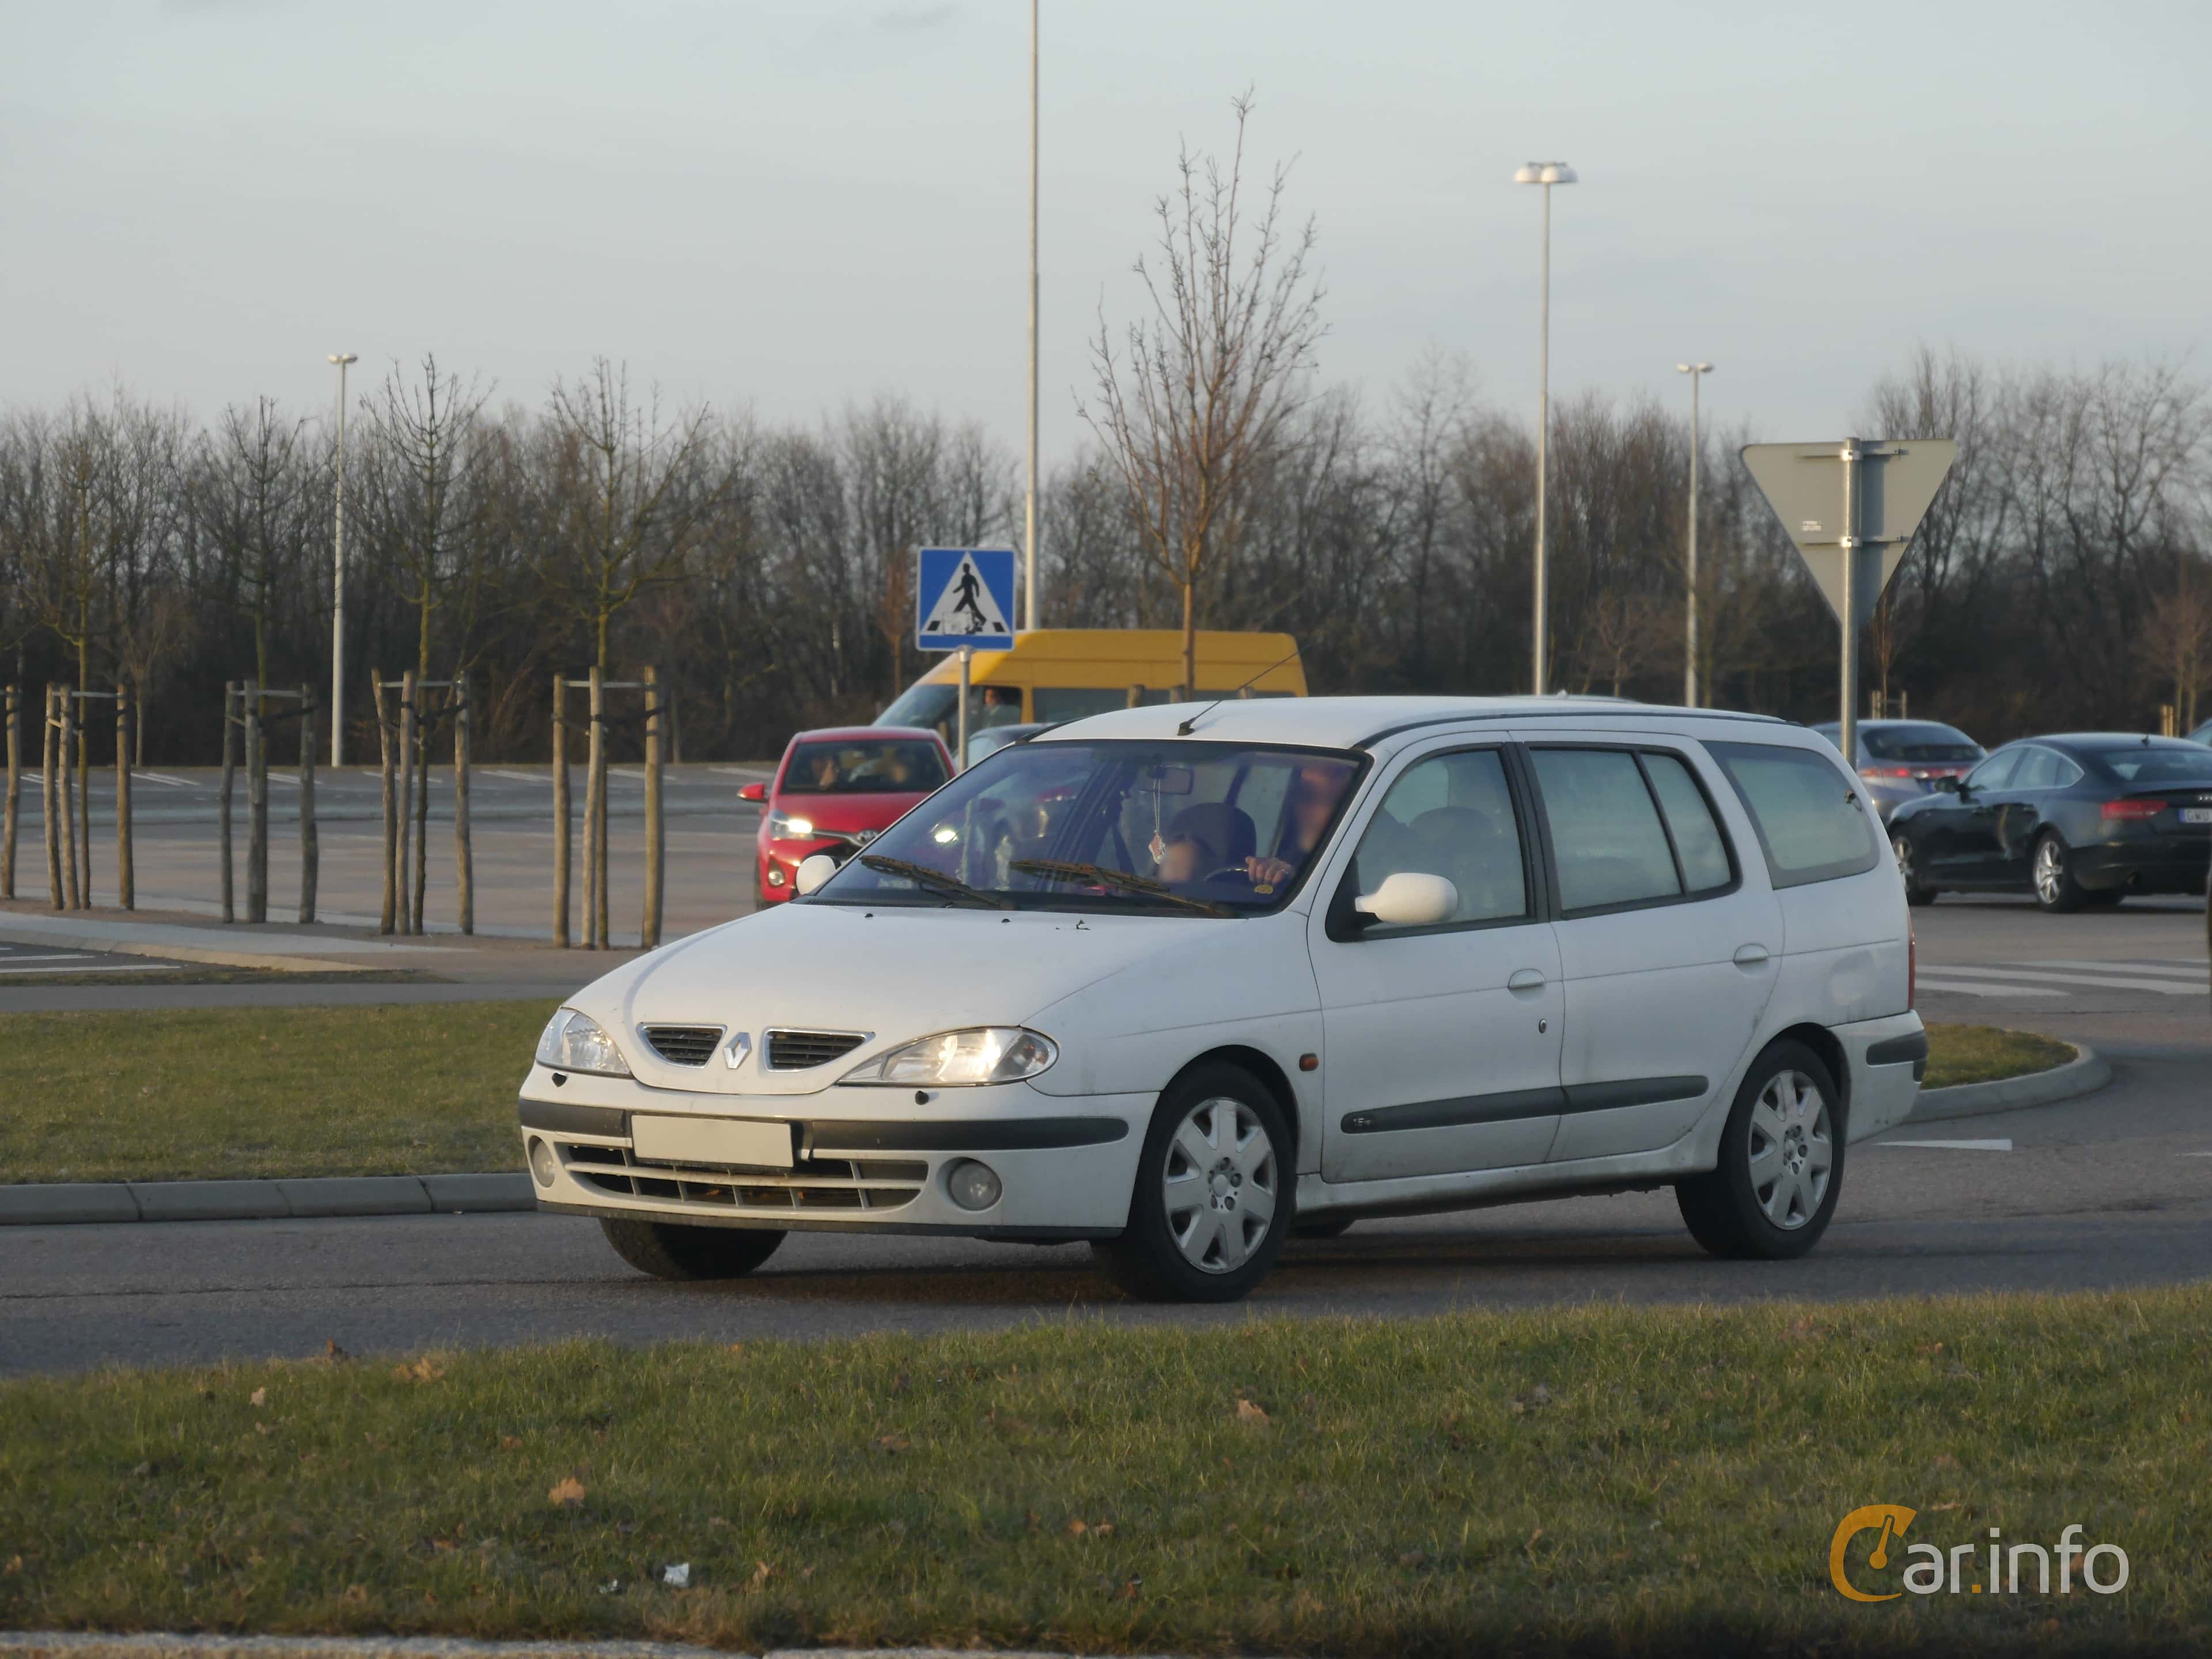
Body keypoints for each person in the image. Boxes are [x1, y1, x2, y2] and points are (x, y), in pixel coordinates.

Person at [1245, 761, 1355, 886]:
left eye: (1323, 799)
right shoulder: (1292, 857)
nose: (1307, 810)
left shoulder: (1372, 871)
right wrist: (1266, 874)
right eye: (1303, 797)